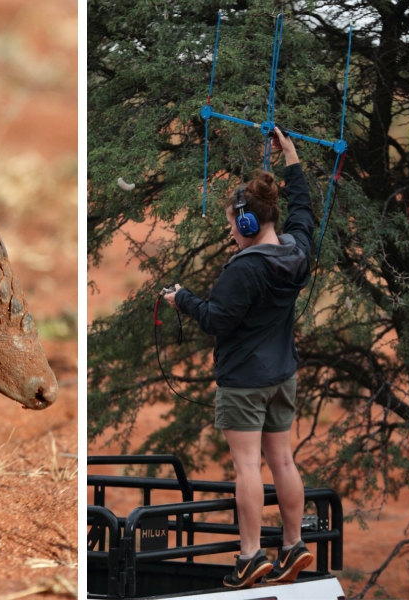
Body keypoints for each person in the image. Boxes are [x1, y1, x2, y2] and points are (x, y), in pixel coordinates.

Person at [164, 127, 315, 589]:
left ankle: (250, 556)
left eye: (233, 222)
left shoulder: (245, 269)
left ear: (249, 224)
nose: (230, 229)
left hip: (244, 381)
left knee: (247, 467)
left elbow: (216, 321)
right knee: (283, 461)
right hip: (282, 375)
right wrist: (291, 158)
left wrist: (182, 299)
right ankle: (293, 547)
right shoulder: (297, 251)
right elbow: (304, 211)